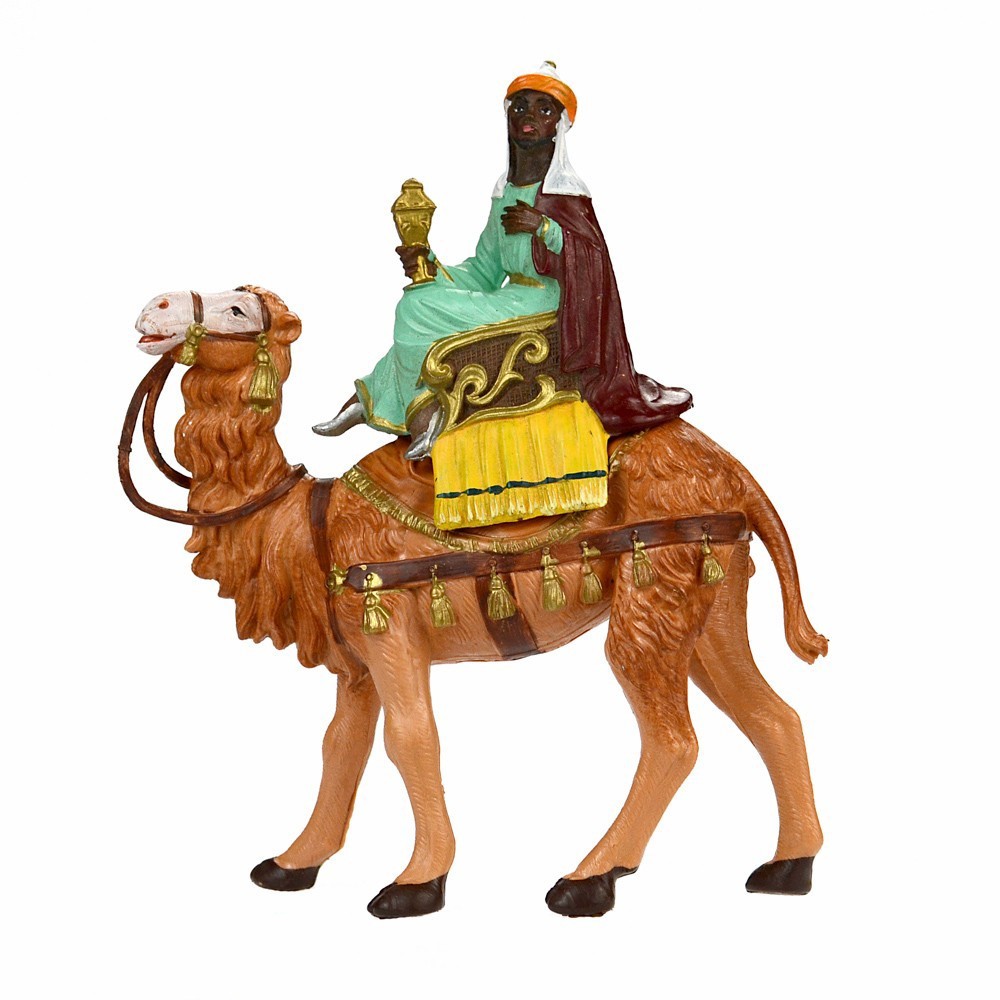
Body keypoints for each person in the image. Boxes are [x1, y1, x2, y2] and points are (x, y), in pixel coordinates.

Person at [313, 63, 691, 458]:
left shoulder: (567, 194)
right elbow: (485, 270)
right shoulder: (505, 192)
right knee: (418, 298)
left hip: (549, 303)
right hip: (512, 297)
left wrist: (543, 227)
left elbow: (594, 265)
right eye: (520, 107)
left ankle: (421, 411)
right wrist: (431, 264)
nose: (529, 117)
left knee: (416, 308)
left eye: (544, 110)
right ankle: (382, 401)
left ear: (559, 126)